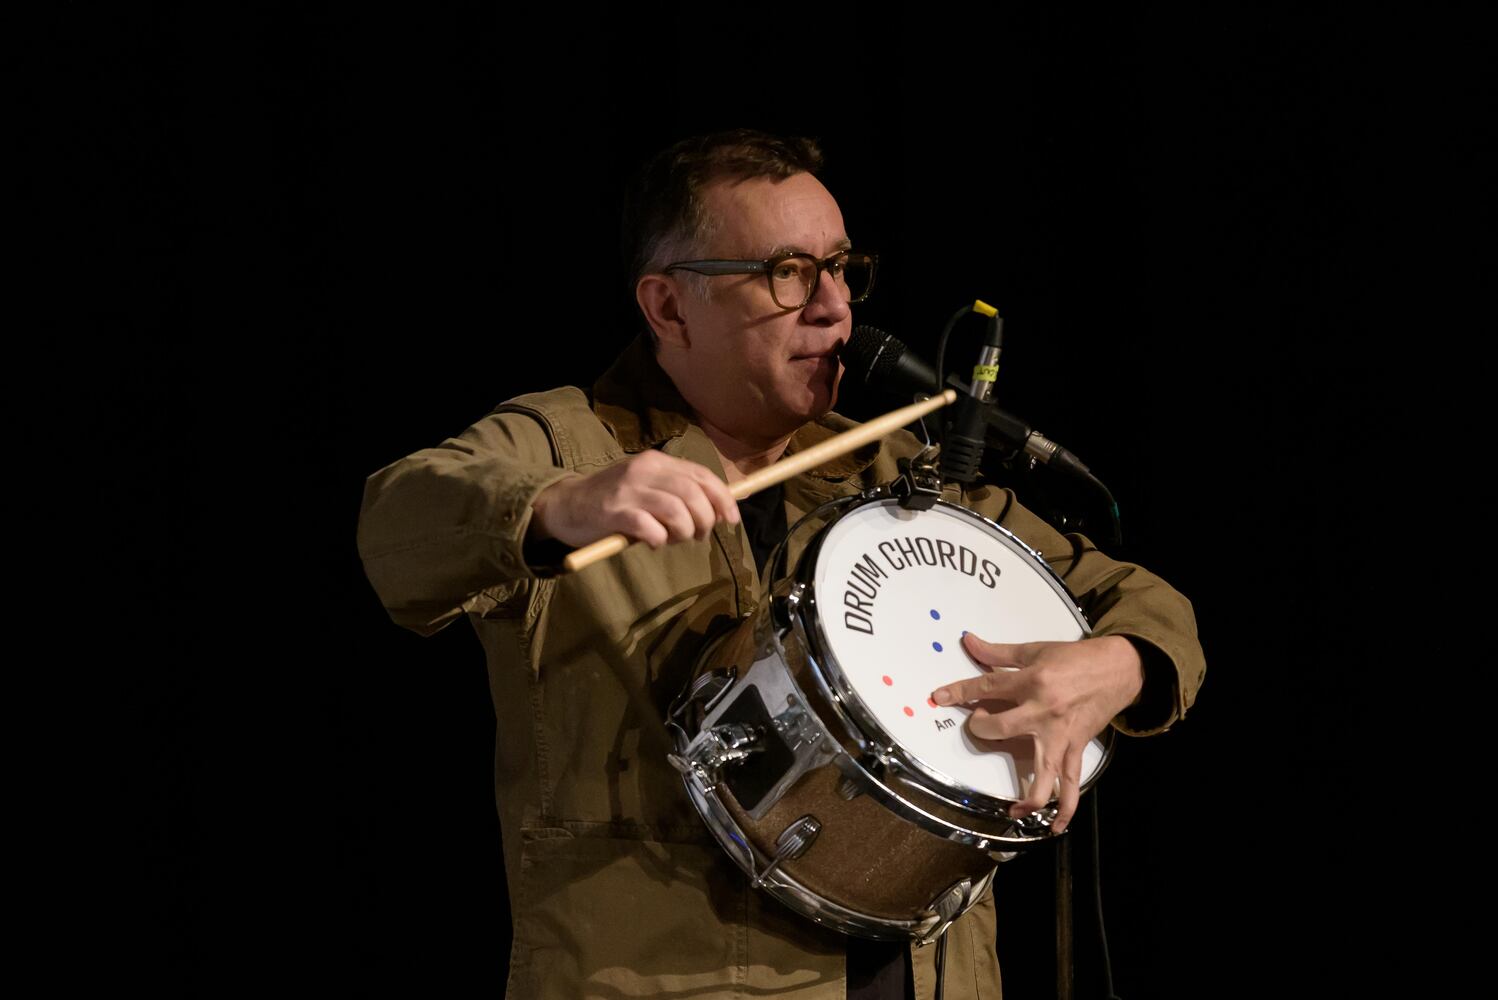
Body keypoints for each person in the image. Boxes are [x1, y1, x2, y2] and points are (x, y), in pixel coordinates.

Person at [357, 129, 1205, 999]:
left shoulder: (894, 477)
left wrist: (1117, 662)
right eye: (789, 272)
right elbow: (397, 524)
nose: (836, 307)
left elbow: (1137, 598)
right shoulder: (566, 444)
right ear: (669, 307)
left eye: (842, 268)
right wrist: (554, 506)